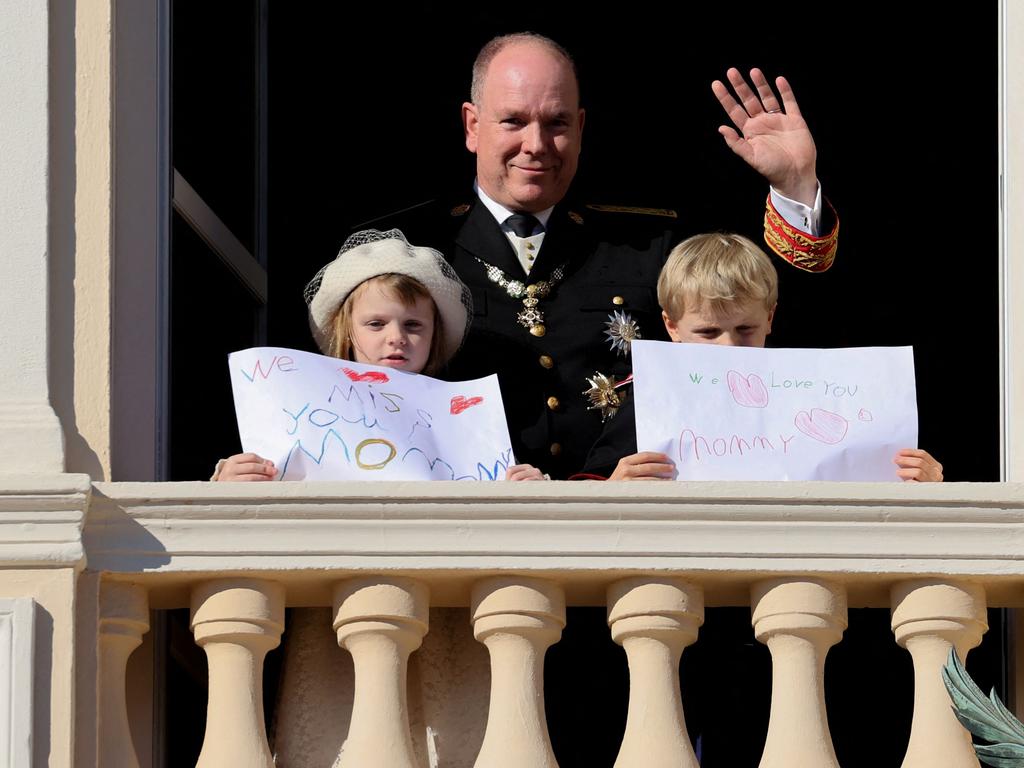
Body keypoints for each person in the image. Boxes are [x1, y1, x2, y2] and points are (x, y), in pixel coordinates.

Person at [365, 32, 839, 479]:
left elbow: (767, 323)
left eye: (557, 123)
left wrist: (794, 186)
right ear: (472, 125)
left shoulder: (647, 243)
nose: (536, 145)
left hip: (630, 528)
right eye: (513, 121)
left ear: (581, 126)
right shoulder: (403, 246)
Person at [577, 232, 944, 482]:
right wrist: (612, 484)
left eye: (744, 330)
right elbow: (591, 490)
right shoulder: (648, 404)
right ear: (671, 326)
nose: (729, 348)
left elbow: (877, 475)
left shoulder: (819, 391)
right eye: (707, 333)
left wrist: (923, 479)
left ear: (769, 318)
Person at [213, 228, 544, 482]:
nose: (396, 338)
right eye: (376, 324)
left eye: (413, 325)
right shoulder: (296, 403)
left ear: (434, 335)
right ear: (346, 332)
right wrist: (233, 479)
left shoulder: (469, 420)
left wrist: (525, 488)